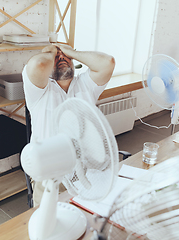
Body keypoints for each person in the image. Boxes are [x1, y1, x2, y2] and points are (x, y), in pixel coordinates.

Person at [22, 43, 115, 206]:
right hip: (49, 173)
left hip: (85, 171)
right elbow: (39, 65)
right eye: (56, 58)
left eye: (66, 57)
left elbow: (108, 62)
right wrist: (52, 52)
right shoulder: (39, 91)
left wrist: (71, 51)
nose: (61, 58)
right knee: (49, 225)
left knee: (86, 219)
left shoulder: (85, 85)